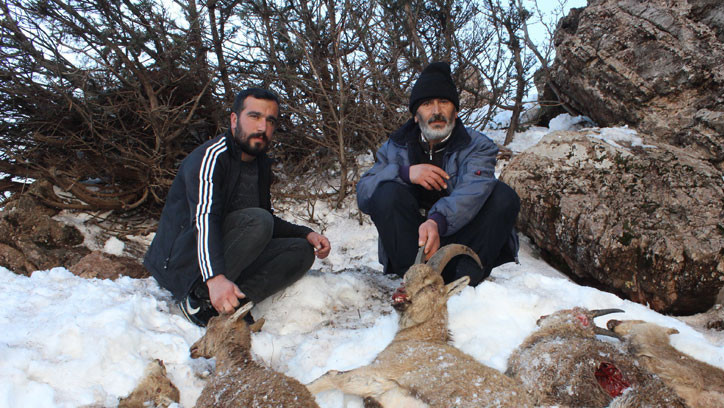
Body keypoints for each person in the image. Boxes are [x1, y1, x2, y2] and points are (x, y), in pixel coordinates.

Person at [144, 88, 331, 326]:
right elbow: (204, 219)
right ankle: (198, 299)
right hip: (183, 263)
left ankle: (236, 303)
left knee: (301, 250)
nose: (262, 128)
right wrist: (214, 278)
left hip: (225, 250)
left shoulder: (260, 164)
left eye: (270, 120)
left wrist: (307, 233)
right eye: (254, 117)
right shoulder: (212, 157)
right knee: (257, 221)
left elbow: (265, 219)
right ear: (234, 120)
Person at [356, 61, 519, 285]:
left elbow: (472, 191)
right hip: (412, 245)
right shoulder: (395, 146)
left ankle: (467, 274)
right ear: (415, 115)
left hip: (460, 238)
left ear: (456, 111)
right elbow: (364, 193)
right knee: (385, 192)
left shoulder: (478, 145)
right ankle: (413, 278)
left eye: (444, 102)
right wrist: (405, 173)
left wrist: (437, 221)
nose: (436, 111)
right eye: (427, 104)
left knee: (503, 196)